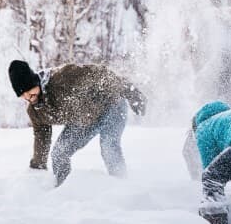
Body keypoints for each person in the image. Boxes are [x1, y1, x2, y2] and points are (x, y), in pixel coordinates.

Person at [8, 60, 145, 186]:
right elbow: (41, 136)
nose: (28, 97)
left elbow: (101, 74)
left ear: (35, 81)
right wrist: (38, 165)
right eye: (22, 94)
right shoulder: (35, 111)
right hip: (84, 120)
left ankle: (122, 186)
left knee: (108, 146)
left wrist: (132, 92)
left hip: (111, 105)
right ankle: (64, 189)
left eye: (29, 90)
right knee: (59, 153)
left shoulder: (63, 77)